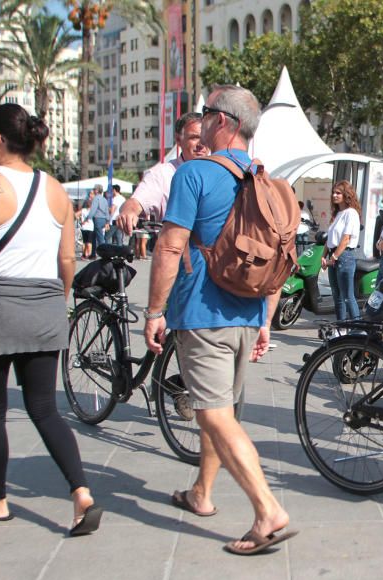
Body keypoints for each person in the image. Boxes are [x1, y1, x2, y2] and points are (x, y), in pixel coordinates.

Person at [143, 84, 294, 555]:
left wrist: (153, 311)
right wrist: (266, 319)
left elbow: (169, 245)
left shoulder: (195, 174)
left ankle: (267, 510)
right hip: (248, 314)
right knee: (221, 409)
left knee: (214, 414)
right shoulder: (269, 181)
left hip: (202, 314)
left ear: (224, 122)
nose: (201, 121)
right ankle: (202, 493)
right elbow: (280, 257)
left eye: (207, 113)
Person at [0, 103, 102, 535]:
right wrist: (58, 299)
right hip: (44, 302)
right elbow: (67, 257)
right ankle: (81, 493)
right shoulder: (55, 189)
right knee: (45, 409)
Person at [116, 112, 208, 258]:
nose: (201, 144)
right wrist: (129, 212)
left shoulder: (220, 171)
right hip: (179, 262)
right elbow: (136, 201)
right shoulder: (162, 174)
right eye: (194, 137)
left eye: (205, 137)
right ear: (179, 139)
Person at [323, 180, 361, 321]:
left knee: (347, 296)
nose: (334, 195)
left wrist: (334, 257)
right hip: (335, 255)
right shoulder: (338, 213)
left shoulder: (351, 213)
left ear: (346, 194)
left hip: (344, 256)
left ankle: (357, 328)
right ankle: (341, 328)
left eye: (338, 193)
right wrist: (324, 256)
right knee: (337, 296)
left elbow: (346, 238)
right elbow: (330, 238)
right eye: (333, 192)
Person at [85, 184, 109, 257]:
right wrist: (107, 220)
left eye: (94, 189)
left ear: (97, 190)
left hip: (97, 218)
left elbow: (93, 209)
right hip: (104, 219)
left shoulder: (96, 199)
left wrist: (88, 217)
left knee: (99, 237)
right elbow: (107, 210)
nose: (93, 190)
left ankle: (104, 254)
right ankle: (93, 253)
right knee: (94, 236)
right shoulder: (104, 199)